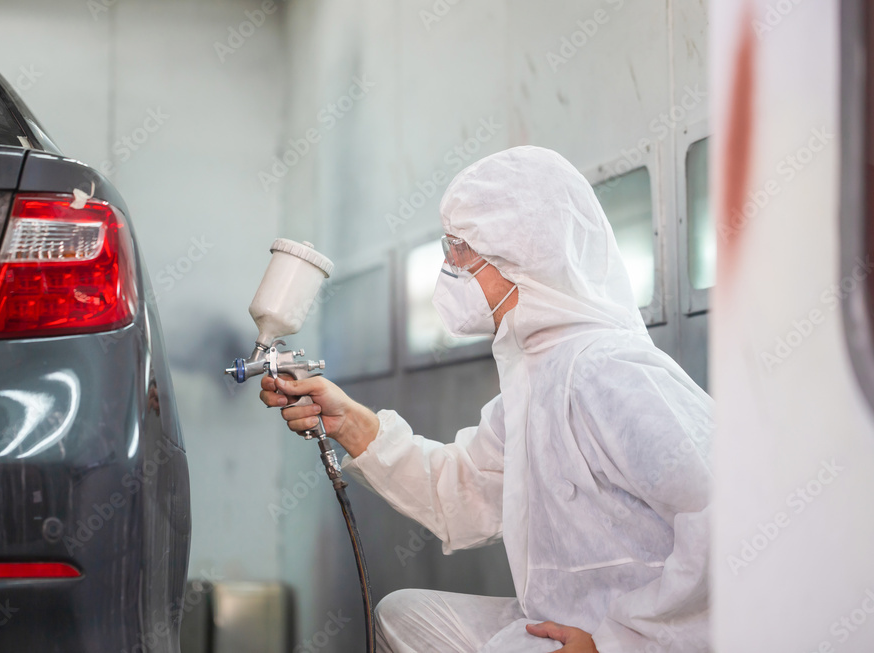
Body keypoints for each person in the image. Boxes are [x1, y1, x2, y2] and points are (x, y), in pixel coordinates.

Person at [259, 146, 713, 653]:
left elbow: (730, 515)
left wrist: (614, 645)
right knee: (405, 616)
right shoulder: (538, 376)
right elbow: (464, 489)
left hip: (642, 639)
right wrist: (348, 421)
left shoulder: (605, 369)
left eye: (460, 248)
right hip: (567, 622)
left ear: (518, 253)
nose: (449, 265)